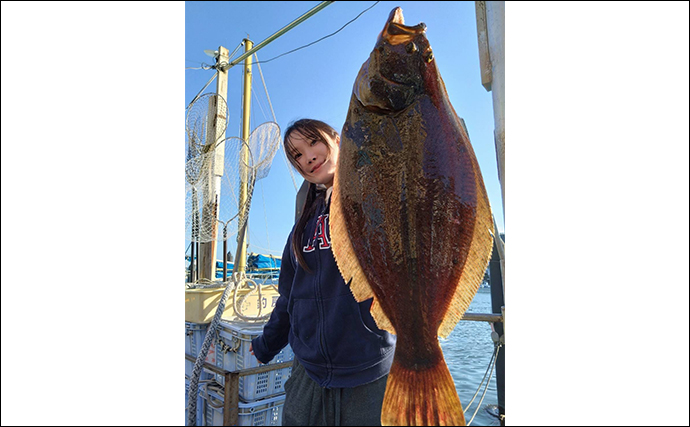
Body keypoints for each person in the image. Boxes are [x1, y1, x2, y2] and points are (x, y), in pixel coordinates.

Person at [249, 119, 396, 426]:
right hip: (308, 370)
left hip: (370, 366)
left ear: (336, 138)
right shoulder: (301, 225)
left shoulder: (373, 196)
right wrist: (266, 344)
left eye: (314, 143)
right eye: (297, 155)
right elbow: (290, 295)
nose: (308, 157)